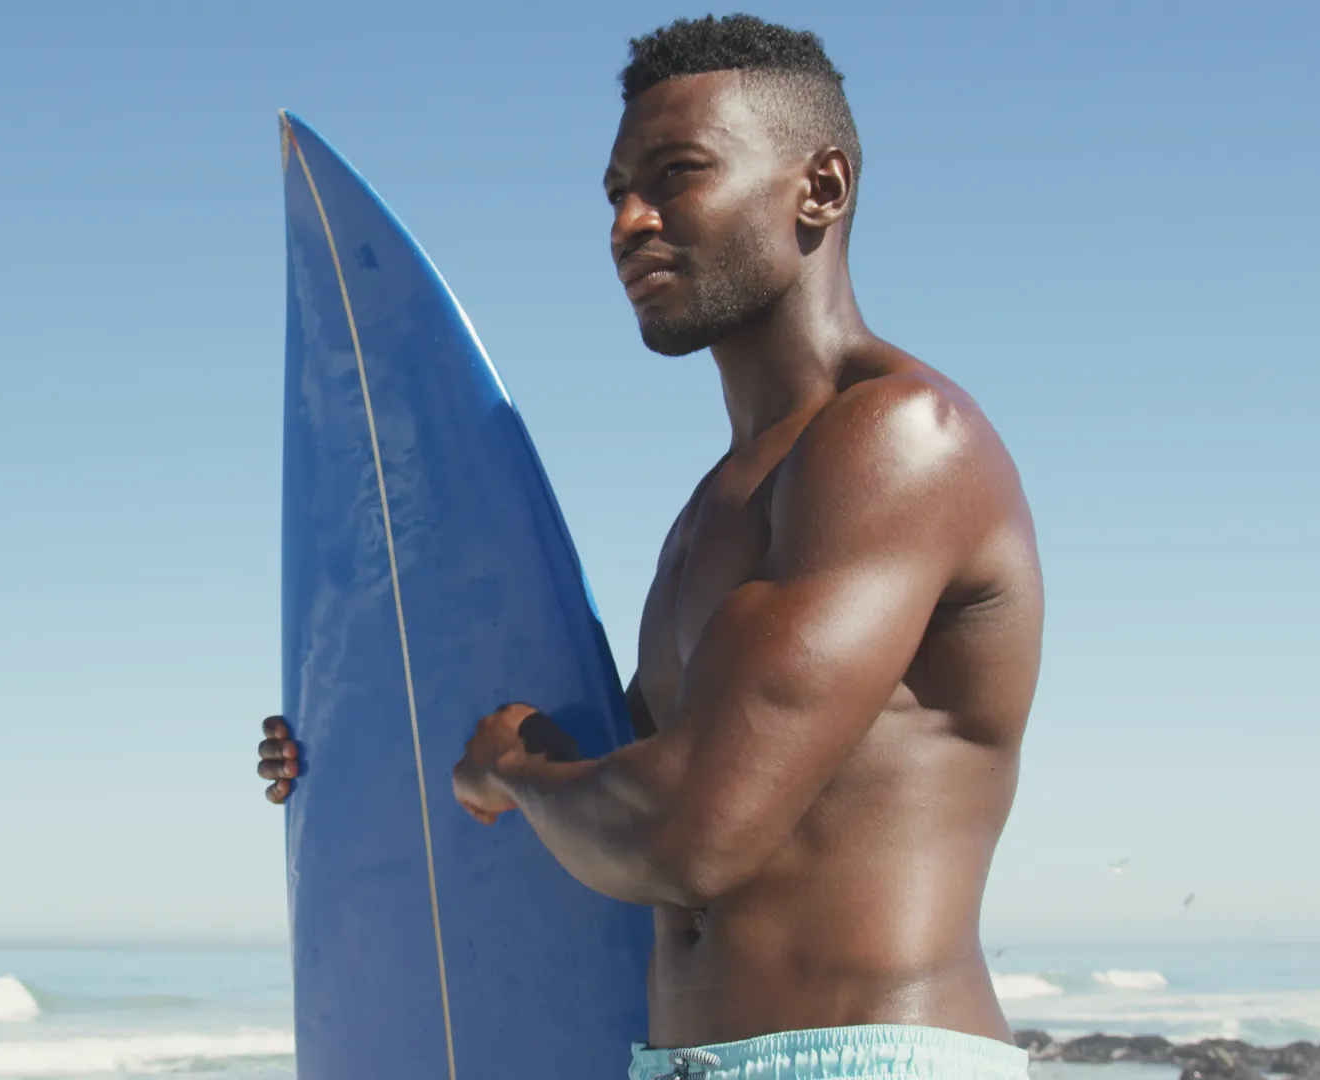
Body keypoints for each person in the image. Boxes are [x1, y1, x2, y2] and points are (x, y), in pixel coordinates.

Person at [257, 14, 1043, 1080]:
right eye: (617, 191)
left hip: (864, 1060)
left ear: (820, 189)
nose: (629, 221)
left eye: (676, 175)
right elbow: (616, 786)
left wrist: (515, 774)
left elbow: (687, 834)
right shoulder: (720, 506)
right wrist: (356, 765)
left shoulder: (898, 442)